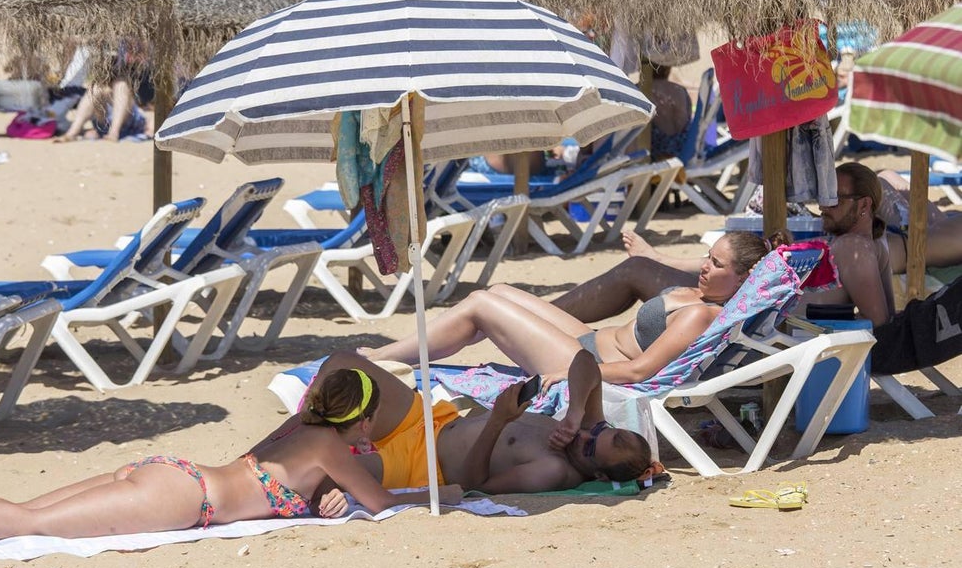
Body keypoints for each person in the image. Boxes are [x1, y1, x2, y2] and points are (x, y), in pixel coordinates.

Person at [0, 369, 458, 552]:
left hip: (175, 473)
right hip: (186, 499)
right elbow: (382, 505)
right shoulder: (330, 446)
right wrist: (446, 497)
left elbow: (319, 489)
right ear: (361, 418)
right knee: (28, 524)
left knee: (26, 509)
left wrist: (331, 496)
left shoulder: (301, 428)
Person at [361, 230, 773, 385]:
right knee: (501, 289)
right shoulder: (701, 293)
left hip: (583, 359)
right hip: (589, 340)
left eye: (716, 264)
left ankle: (380, 358)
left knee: (482, 305)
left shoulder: (704, 314)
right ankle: (397, 357)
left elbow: (639, 371)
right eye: (707, 256)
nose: (704, 265)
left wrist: (568, 373)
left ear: (741, 279)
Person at [555, 163, 895, 327]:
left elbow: (878, 322)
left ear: (863, 205)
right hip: (749, 305)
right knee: (650, 269)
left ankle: (544, 316)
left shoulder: (856, 249)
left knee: (635, 272)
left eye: (833, 198)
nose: (823, 204)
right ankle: (544, 316)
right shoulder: (858, 245)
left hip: (745, 318)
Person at [302, 350, 658, 495]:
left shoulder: (551, 470)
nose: (587, 435)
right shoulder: (583, 428)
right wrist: (579, 410)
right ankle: (302, 429)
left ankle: (300, 441)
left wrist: (498, 422)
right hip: (430, 420)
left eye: (592, 444)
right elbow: (585, 360)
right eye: (601, 429)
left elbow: (474, 487)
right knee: (343, 361)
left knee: (316, 476)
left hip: (423, 465)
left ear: (597, 474)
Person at [876, 169, 962, 274]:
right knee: (886, 176)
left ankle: (906, 246)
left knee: (877, 184)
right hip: (928, 241)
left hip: (911, 248)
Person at [647, 63, 692, 160]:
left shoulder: (643, 89)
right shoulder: (681, 90)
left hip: (655, 153)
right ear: (668, 68)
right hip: (683, 151)